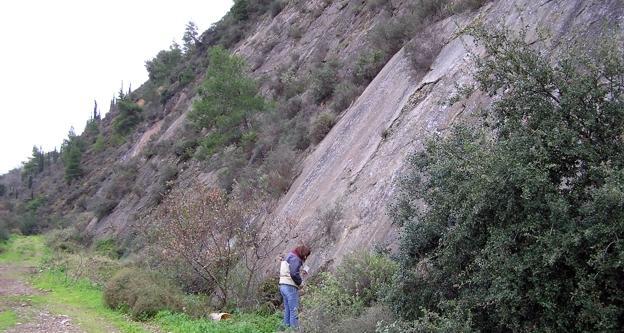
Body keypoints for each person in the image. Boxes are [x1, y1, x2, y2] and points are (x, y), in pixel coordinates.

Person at [279, 245, 311, 329]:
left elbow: (290, 271)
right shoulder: (295, 258)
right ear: (303, 253)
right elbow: (293, 273)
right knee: (294, 311)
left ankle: (285, 329)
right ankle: (293, 330)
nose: (305, 257)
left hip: (282, 285)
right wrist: (300, 282)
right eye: (305, 255)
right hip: (290, 287)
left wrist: (300, 273)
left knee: (288, 310)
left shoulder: (289, 255)